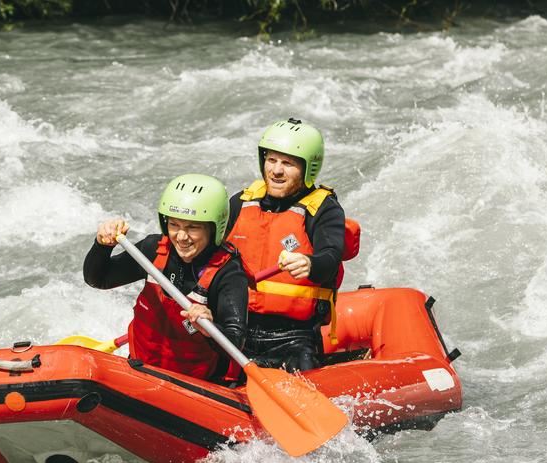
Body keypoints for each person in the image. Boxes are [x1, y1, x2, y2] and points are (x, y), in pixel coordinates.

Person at [83, 173, 249, 384]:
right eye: (174, 225)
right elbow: (98, 279)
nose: (181, 237)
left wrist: (209, 326)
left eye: (192, 227)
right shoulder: (153, 250)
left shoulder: (228, 272)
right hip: (140, 369)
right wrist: (102, 246)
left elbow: (235, 341)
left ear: (214, 227)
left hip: (194, 386)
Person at [226, 118, 355, 373]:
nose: (275, 171)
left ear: (308, 169)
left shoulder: (323, 209)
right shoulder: (241, 202)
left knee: (303, 370)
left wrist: (310, 263)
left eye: (288, 163)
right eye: (271, 160)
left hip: (293, 339)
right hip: (235, 328)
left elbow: (330, 257)